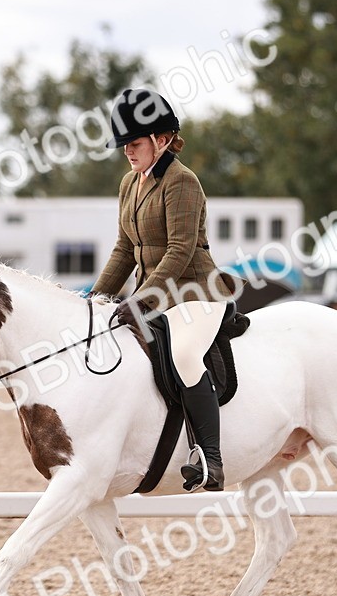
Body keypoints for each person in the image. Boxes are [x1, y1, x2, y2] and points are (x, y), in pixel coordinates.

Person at [92, 88, 243, 492]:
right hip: (156, 292)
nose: (127, 150)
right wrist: (95, 299)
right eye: (124, 144)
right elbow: (125, 249)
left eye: (135, 142)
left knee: (186, 354)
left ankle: (210, 459)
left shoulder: (183, 182)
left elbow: (180, 251)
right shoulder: (130, 184)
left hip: (197, 292)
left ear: (162, 139)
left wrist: (141, 299)